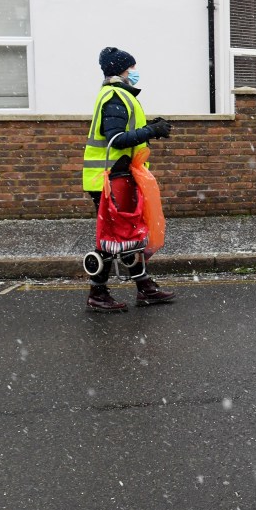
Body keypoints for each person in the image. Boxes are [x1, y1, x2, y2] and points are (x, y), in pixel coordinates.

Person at [83, 47, 176, 312]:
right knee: (111, 238)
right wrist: (151, 131)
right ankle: (97, 293)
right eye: (130, 68)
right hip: (109, 178)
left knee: (129, 234)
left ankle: (144, 287)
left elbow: (125, 133)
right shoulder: (114, 96)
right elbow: (115, 138)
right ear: (120, 70)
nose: (133, 72)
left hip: (119, 176)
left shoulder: (120, 95)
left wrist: (148, 128)